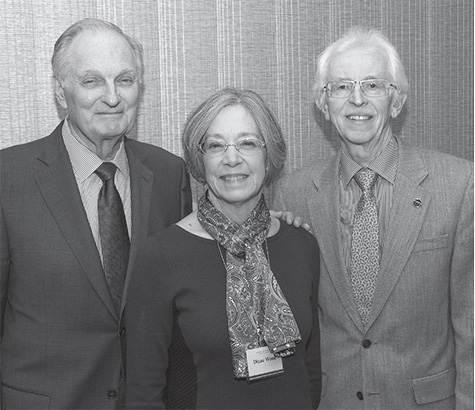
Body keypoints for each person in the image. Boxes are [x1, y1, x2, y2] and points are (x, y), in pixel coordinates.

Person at [274, 26, 474, 409]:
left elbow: (472, 325)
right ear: (323, 103)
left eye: (373, 86)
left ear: (396, 102)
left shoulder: (460, 185)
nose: (357, 100)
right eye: (341, 87)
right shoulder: (294, 194)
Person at [0, 18, 192, 409]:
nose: (112, 97)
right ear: (60, 90)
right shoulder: (8, 179)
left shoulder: (170, 175)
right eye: (91, 81)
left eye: (125, 79)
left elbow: (180, 306)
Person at [126, 87, 321, 409]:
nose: (232, 158)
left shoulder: (301, 245)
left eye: (247, 143)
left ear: (269, 155)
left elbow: (309, 369)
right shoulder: (160, 256)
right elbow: (143, 391)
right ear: (198, 160)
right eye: (216, 145)